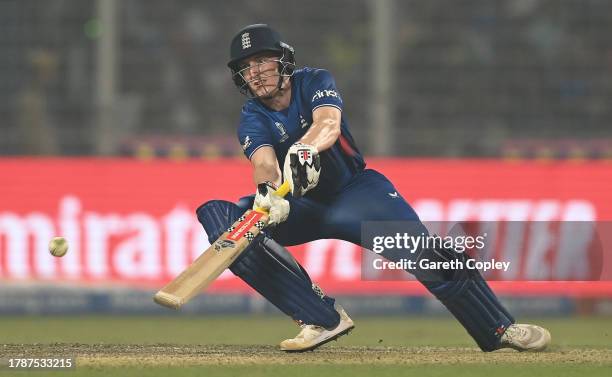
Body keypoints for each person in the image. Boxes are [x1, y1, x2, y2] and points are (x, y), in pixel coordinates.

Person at [196, 24, 551, 352]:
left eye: (261, 60)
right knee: (222, 218)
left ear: (283, 59)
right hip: (301, 206)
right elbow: (263, 161)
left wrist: (305, 148)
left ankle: (500, 329)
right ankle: (320, 318)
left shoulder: (314, 80)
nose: (255, 72)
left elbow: (328, 123)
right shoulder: (251, 115)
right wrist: (268, 193)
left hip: (356, 194)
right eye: (246, 67)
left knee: (427, 256)